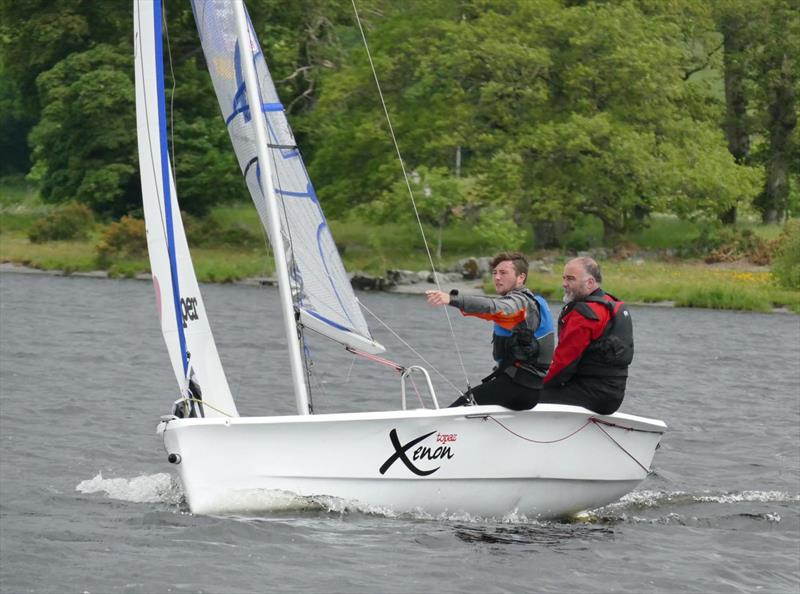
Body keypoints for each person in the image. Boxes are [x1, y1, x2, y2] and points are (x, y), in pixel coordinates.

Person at [425, 252, 554, 410]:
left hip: (517, 387)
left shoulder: (520, 303)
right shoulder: (533, 301)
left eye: (503, 273)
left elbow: (494, 307)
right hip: (526, 389)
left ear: (521, 277)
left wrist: (451, 299)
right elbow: (490, 312)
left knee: (455, 411)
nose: (497, 277)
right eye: (495, 273)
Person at [539, 257, 633, 415]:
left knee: (525, 396)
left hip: (590, 395)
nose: (564, 284)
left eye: (570, 279)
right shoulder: (611, 303)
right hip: (613, 396)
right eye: (564, 278)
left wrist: (537, 384)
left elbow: (563, 365)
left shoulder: (584, 314)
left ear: (590, 282)